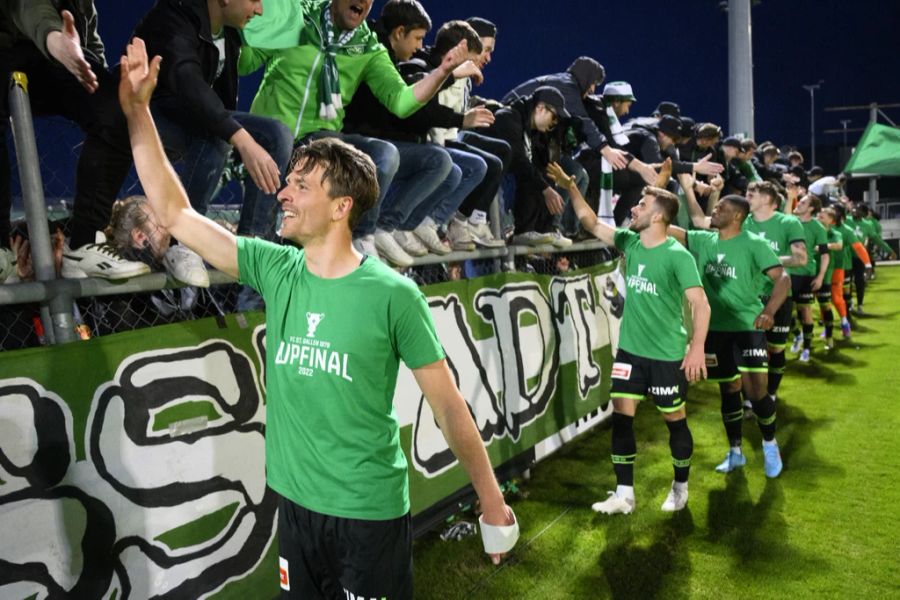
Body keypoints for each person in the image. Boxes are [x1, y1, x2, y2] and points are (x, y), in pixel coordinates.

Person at [119, 38, 517, 598]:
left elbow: (449, 407)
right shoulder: (275, 267)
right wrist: (138, 111)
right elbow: (175, 212)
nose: (282, 192)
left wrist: (492, 501)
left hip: (367, 515)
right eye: (289, 180)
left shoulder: (392, 294)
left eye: (300, 185)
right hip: (295, 508)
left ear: (341, 207)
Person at [238, 0, 470, 258]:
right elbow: (244, 63)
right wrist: (243, 21)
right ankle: (250, 268)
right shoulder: (296, 14)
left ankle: (359, 235)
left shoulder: (367, 46)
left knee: (385, 154)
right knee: (263, 254)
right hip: (269, 143)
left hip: (318, 145)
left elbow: (402, 102)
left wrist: (442, 72)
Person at [546, 162, 710, 514]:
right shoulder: (629, 242)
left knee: (674, 421)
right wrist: (571, 186)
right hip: (630, 354)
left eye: (641, 205)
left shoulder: (678, 256)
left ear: (657, 218)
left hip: (667, 356)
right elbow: (590, 222)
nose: (634, 208)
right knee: (622, 417)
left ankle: (680, 486)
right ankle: (624, 495)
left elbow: (701, 304)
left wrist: (696, 348)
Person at [0, 0, 148, 280]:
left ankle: (85, 243)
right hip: (12, 47)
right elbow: (27, 6)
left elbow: (89, 39)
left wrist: (98, 74)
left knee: (118, 105)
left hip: (58, 57)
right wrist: (56, 39)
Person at [129, 0, 294, 243]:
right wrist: (241, 139)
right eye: (255, 0)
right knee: (217, 133)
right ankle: (184, 244)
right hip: (148, 118)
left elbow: (221, 107)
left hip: (197, 121)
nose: (259, 10)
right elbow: (186, 82)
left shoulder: (229, 35)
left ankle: (255, 247)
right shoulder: (174, 14)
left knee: (277, 134)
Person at [672, 188, 790, 477]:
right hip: (715, 330)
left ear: (738, 215)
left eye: (721, 207)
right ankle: (735, 451)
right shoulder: (703, 240)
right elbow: (672, 230)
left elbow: (783, 278)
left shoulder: (754, 244)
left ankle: (769, 445)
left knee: (756, 392)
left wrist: (769, 312)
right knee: (729, 389)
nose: (715, 210)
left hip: (747, 327)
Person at [479, 86, 573, 246]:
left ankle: (537, 231)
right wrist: (545, 189)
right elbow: (518, 161)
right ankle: (515, 236)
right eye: (554, 116)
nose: (555, 123)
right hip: (485, 186)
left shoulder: (529, 129)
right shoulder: (508, 118)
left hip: (498, 184)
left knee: (543, 174)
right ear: (540, 108)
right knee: (532, 177)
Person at [743, 181, 807, 405]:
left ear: (768, 200)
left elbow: (801, 258)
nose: (748, 195)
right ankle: (751, 397)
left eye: (754, 193)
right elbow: (704, 223)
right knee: (750, 349)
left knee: (775, 348)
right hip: (749, 296)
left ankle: (771, 391)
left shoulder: (788, 222)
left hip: (779, 296)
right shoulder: (742, 221)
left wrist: (766, 261)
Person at [788, 194, 829, 361]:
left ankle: (806, 348)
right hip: (786, 273)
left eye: (803, 202)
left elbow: (825, 255)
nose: (799, 204)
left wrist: (820, 277)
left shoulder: (818, 227)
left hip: (805, 274)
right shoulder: (789, 221)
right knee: (781, 310)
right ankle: (797, 335)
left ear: (811, 208)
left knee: (805, 311)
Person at [815, 206, 844, 350]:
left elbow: (839, 245)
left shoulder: (834, 233)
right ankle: (801, 336)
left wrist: (823, 246)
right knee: (802, 307)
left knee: (825, 305)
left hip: (824, 273)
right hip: (806, 271)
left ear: (831, 220)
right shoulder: (812, 229)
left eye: (823, 214)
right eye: (819, 213)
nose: (819, 215)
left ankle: (829, 337)